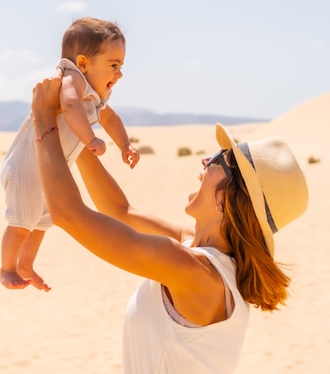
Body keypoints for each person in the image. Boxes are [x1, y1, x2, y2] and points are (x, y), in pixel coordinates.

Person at [30, 71, 309, 373]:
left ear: (226, 200)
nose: (205, 160)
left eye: (220, 159)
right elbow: (120, 210)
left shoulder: (193, 270)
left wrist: (43, 119)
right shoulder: (197, 248)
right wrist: (73, 131)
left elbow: (69, 215)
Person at [0, 17, 140, 291]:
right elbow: (71, 105)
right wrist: (90, 138)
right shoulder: (71, 78)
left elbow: (111, 118)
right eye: (113, 65)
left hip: (47, 171)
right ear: (84, 63)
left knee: (42, 222)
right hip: (26, 167)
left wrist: (125, 145)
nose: (119, 73)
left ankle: (25, 264)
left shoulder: (93, 95)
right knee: (21, 223)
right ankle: (7, 268)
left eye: (121, 66)